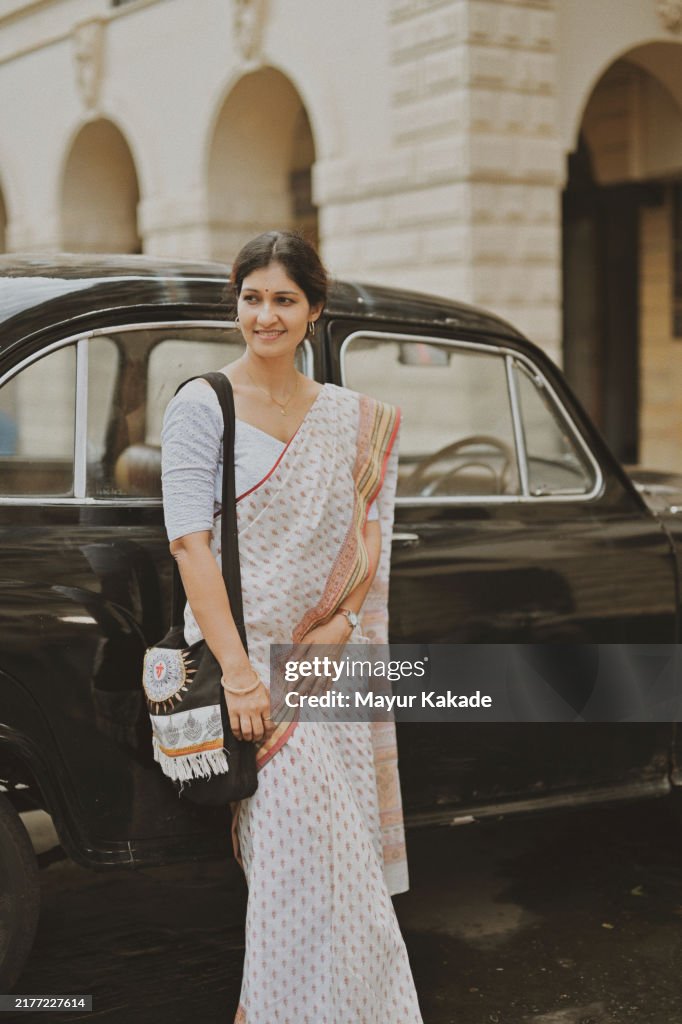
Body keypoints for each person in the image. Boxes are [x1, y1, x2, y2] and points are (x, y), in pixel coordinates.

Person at [161, 230, 423, 1023]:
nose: (264, 315)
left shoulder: (351, 419)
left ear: (315, 310)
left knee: (339, 875)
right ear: (234, 302)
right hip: (252, 667)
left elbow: (369, 534)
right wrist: (241, 674)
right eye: (251, 297)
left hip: (329, 659)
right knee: (301, 862)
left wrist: (343, 622)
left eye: (283, 299)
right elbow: (187, 542)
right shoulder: (202, 404)